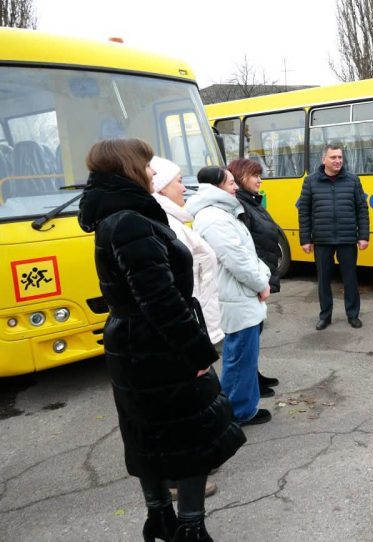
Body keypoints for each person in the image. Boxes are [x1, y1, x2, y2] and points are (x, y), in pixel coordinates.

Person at [77, 139, 245, 542]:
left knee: (148, 435)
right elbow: (160, 299)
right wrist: (196, 354)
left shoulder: (116, 215)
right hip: (157, 346)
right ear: (128, 169)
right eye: (147, 165)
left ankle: (160, 520)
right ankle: (189, 527)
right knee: (188, 439)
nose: (154, 172)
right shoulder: (131, 220)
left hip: (135, 344)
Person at [150, 156, 223, 501]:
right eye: (178, 180)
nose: (184, 186)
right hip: (187, 324)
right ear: (160, 185)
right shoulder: (162, 220)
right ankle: (180, 480)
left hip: (197, 319)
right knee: (185, 402)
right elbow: (174, 286)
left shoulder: (175, 217)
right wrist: (193, 338)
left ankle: (195, 464)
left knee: (198, 399)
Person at [185, 166, 273, 426]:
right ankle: (236, 412)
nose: (236, 187)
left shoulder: (220, 213)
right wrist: (261, 283)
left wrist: (262, 275)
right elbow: (238, 260)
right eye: (231, 183)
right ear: (216, 187)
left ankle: (242, 407)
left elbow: (245, 254)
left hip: (239, 294)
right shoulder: (215, 218)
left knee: (244, 357)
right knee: (239, 359)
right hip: (236, 296)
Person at [297, 143, 369, 330]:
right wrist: (305, 239)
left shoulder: (353, 181)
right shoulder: (310, 182)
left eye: (340, 157)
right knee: (323, 281)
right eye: (333, 157)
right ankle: (325, 316)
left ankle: (353, 315)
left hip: (347, 239)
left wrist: (364, 236)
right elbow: (304, 212)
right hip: (322, 240)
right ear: (324, 160)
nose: (337, 161)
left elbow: (362, 209)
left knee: (350, 279)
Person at [228, 158, 283, 397]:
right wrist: (259, 279)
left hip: (261, 273)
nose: (259, 180)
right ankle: (249, 383)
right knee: (249, 334)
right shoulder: (240, 205)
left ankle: (254, 376)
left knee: (256, 331)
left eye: (259, 175)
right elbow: (244, 248)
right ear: (240, 178)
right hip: (253, 278)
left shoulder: (251, 201)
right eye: (254, 175)